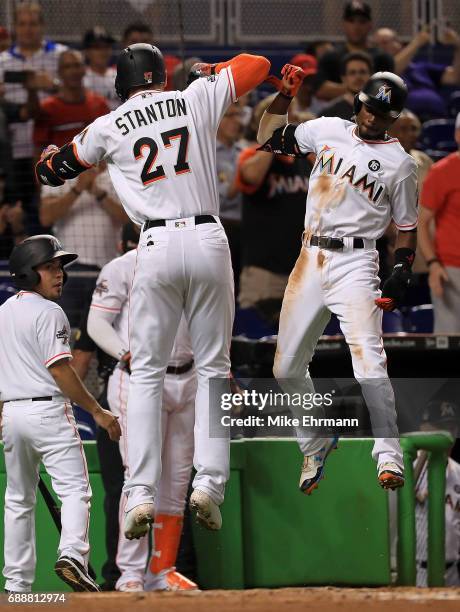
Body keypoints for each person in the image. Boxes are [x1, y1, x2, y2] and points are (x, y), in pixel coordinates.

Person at [35, 44, 271, 537]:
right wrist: (214, 71)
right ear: (160, 77)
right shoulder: (195, 95)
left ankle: (139, 492)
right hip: (209, 238)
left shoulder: (109, 122)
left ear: (122, 84)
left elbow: (55, 171)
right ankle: (209, 484)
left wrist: (48, 161)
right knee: (215, 366)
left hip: (155, 243)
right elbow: (258, 66)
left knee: (145, 371)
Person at [257, 67, 418, 494]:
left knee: (369, 363)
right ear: (358, 102)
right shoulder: (328, 128)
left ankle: (388, 454)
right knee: (286, 367)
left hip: (357, 262)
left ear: (393, 118)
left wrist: (403, 266)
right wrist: (284, 98)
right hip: (309, 257)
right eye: (369, 108)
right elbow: (269, 136)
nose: (371, 118)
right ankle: (314, 442)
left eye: (382, 115)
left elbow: (406, 225)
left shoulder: (400, 164)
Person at [0, 235, 121, 593]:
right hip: (49, 413)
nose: (59, 274)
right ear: (27, 273)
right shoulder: (51, 312)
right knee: (74, 490)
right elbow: (62, 371)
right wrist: (98, 411)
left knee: (18, 500)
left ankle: (17, 586)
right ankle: (72, 555)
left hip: (12, 415)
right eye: (49, 267)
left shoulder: (3, 312)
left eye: (59, 267)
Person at [87, 226, 197, 592]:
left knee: (177, 482)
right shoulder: (122, 266)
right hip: (138, 379)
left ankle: (161, 571)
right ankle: (131, 573)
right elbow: (96, 322)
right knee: (140, 476)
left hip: (188, 377)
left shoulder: (191, 264)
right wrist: (123, 352)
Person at [236, 95, 312, 326]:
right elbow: (251, 176)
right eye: (285, 117)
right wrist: (272, 138)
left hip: (303, 271)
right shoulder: (251, 155)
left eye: (294, 116)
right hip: (264, 272)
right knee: (256, 343)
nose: (291, 121)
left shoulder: (308, 160)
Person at [39, 161, 127, 326]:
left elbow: (129, 220)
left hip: (108, 269)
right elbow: (46, 216)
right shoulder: (58, 174)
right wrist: (78, 188)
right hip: (70, 270)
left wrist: (98, 193)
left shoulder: (118, 173)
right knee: (66, 330)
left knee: (107, 332)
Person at [0, 2, 67, 216]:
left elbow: (80, 86)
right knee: (22, 212)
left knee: (52, 204)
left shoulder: (59, 54)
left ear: (42, 26)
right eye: (22, 24)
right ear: (15, 28)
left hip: (53, 145)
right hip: (16, 149)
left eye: (32, 24)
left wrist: (54, 84)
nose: (27, 29)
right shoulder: (2, 61)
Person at [418, 112, 460, 332]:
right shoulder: (442, 172)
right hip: (451, 270)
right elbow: (422, 222)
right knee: (450, 344)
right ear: (457, 135)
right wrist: (433, 264)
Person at [415, 399, 460, 587]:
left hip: (452, 572)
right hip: (419, 573)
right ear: (424, 429)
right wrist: (425, 451)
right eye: (440, 427)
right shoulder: (408, 467)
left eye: (451, 427)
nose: (448, 434)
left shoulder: (458, 471)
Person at [312, 1, 394, 102]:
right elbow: (320, 89)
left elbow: (387, 91)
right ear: (343, 24)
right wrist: (362, 87)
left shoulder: (382, 57)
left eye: (362, 21)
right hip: (337, 113)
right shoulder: (331, 57)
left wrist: (351, 86)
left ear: (370, 25)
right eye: (351, 21)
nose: (356, 26)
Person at [34, 50, 110, 154]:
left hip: (97, 167)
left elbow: (109, 143)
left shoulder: (100, 104)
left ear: (84, 69)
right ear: (60, 72)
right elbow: (39, 152)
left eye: (77, 65)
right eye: (67, 67)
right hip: (60, 168)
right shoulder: (48, 108)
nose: (73, 71)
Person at [320, 51, 372, 121]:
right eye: (352, 73)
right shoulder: (329, 115)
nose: (358, 77)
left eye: (362, 72)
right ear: (343, 79)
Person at [82, 27, 119, 111]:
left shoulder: (121, 75)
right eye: (97, 47)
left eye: (107, 47)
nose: (103, 51)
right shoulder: (80, 78)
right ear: (86, 52)